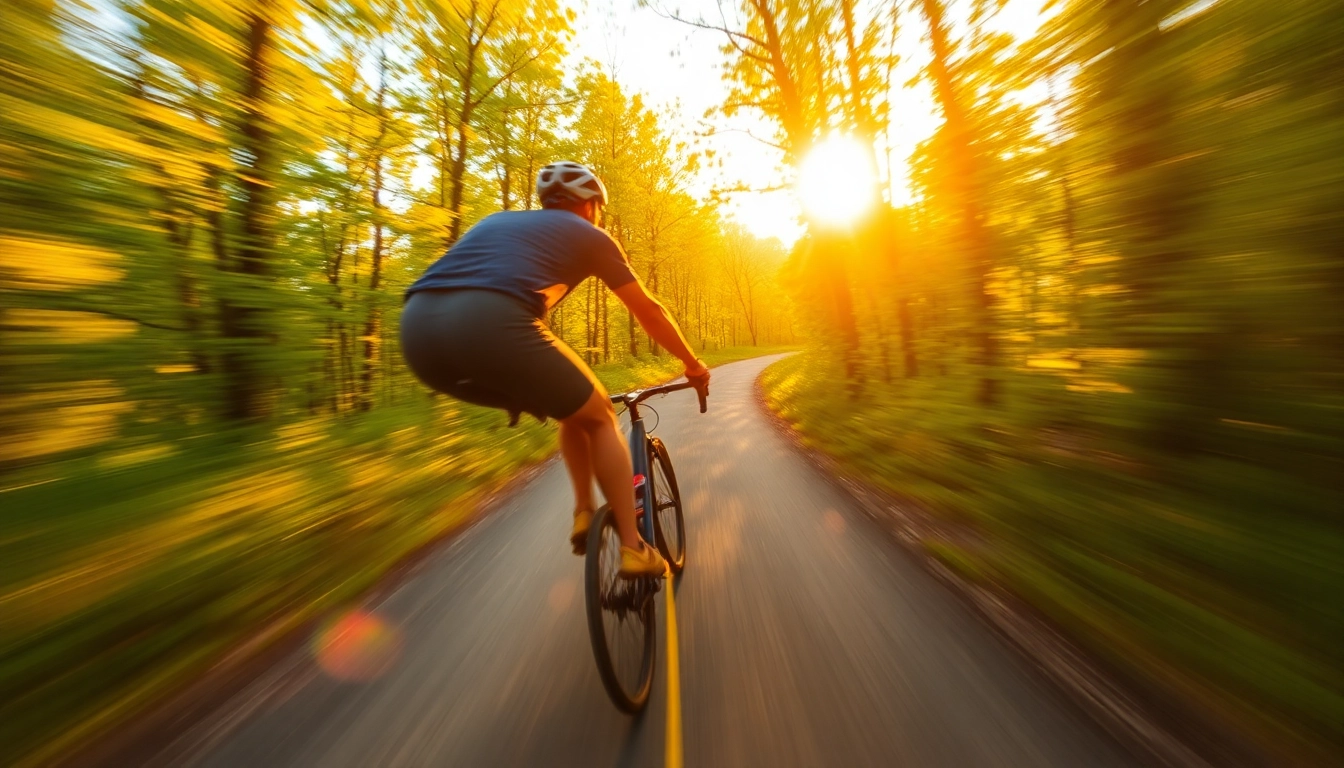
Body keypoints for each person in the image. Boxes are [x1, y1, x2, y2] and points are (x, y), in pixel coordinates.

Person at [399, 161, 709, 578]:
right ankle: (635, 550)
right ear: (590, 205)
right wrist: (693, 364)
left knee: (572, 407)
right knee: (600, 415)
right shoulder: (591, 235)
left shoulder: (496, 223)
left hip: (417, 334)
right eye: (598, 208)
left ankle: (584, 512)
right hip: (492, 321)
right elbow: (649, 313)